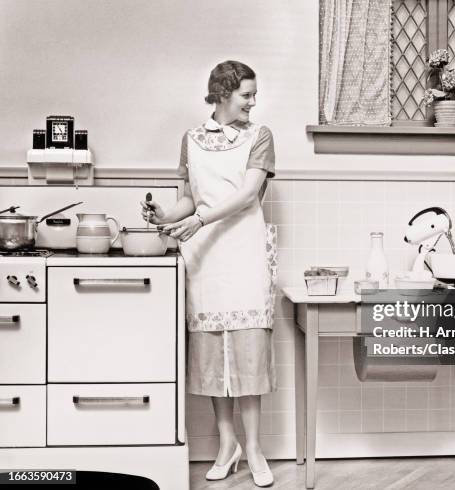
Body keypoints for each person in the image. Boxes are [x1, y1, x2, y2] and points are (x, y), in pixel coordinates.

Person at [142, 60, 276, 487]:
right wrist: (164, 214)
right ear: (221, 93)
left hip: (244, 252)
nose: (253, 103)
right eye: (245, 95)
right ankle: (226, 444)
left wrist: (200, 219)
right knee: (213, 357)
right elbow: (189, 199)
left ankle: (254, 449)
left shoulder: (261, 136)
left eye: (253, 95)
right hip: (204, 258)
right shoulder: (191, 139)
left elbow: (247, 195)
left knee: (248, 356)